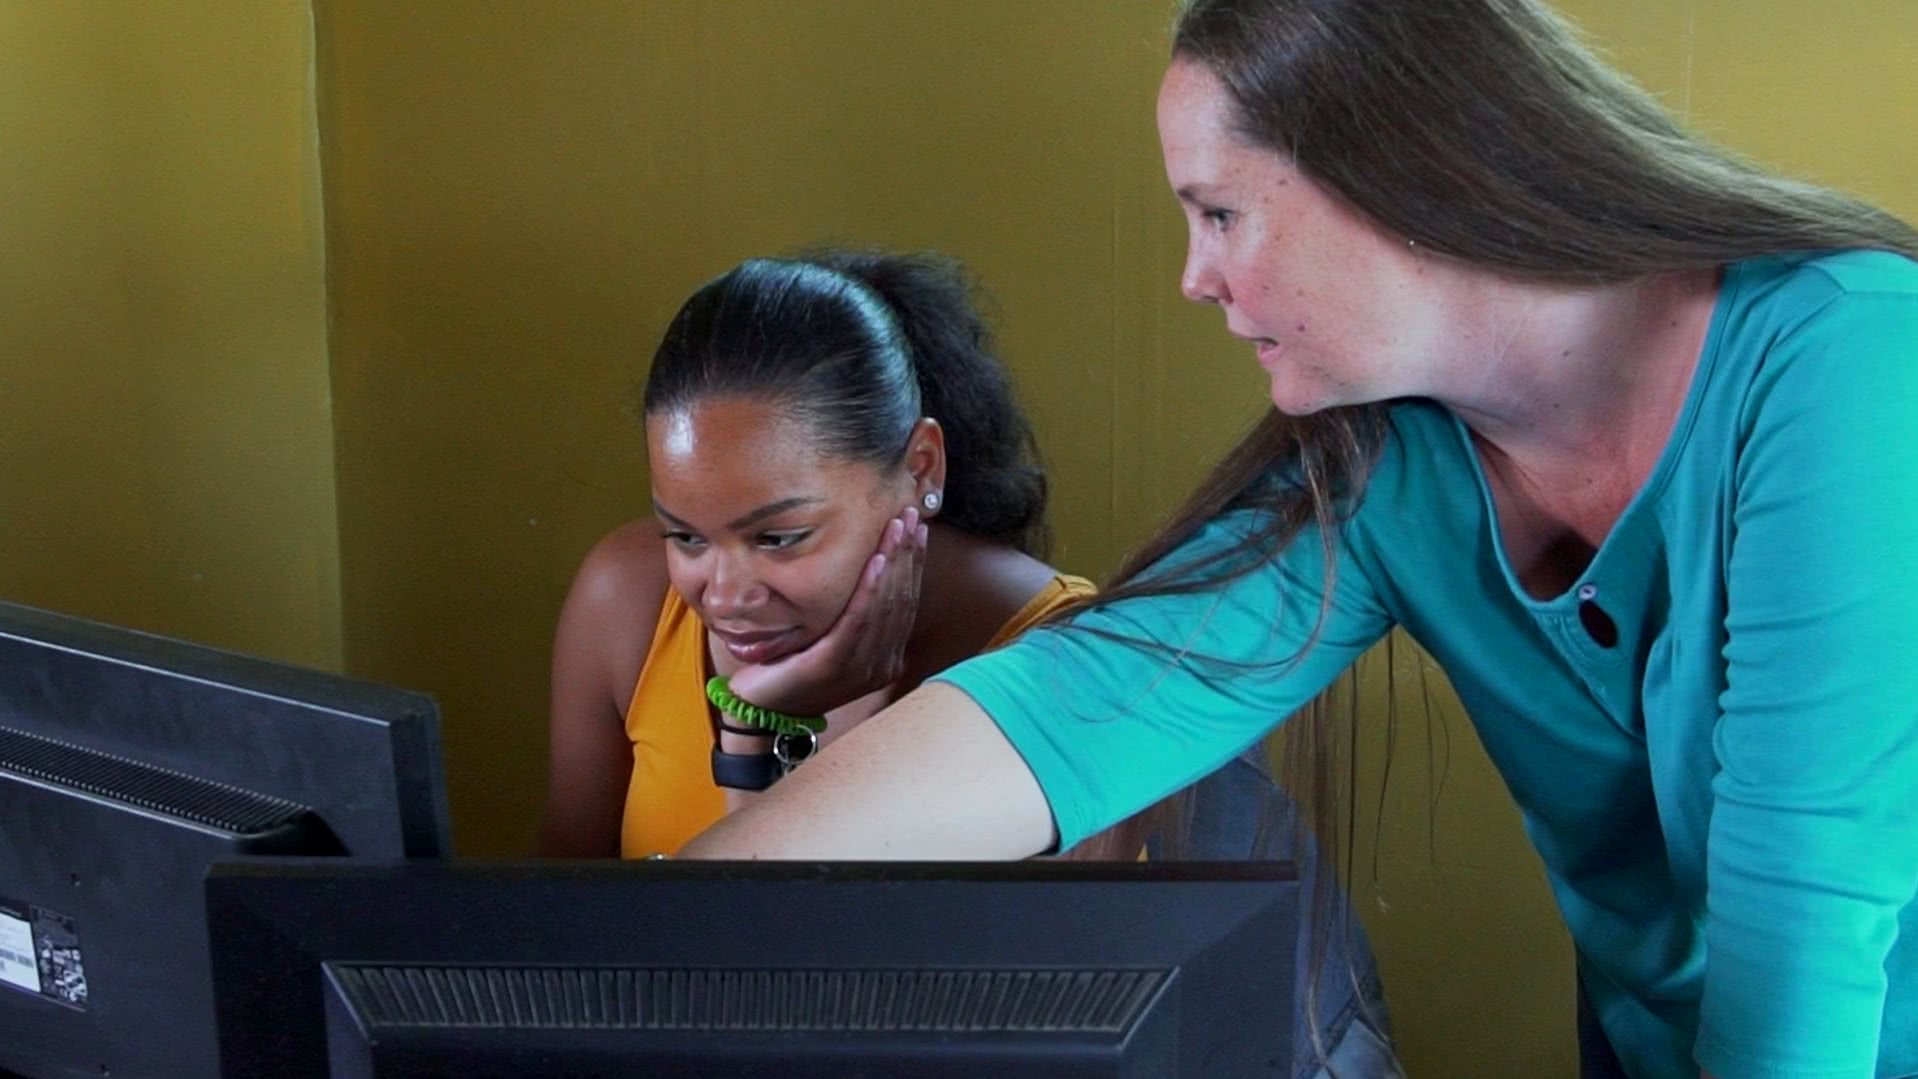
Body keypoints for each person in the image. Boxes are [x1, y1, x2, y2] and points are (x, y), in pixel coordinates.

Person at [677, 4, 1918, 1079]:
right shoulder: (1393, 468)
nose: (1193, 276)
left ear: (1409, 177)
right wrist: (651, 935)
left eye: (1219, 213)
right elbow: (1082, 696)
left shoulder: (1851, 360)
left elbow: (1801, 910)